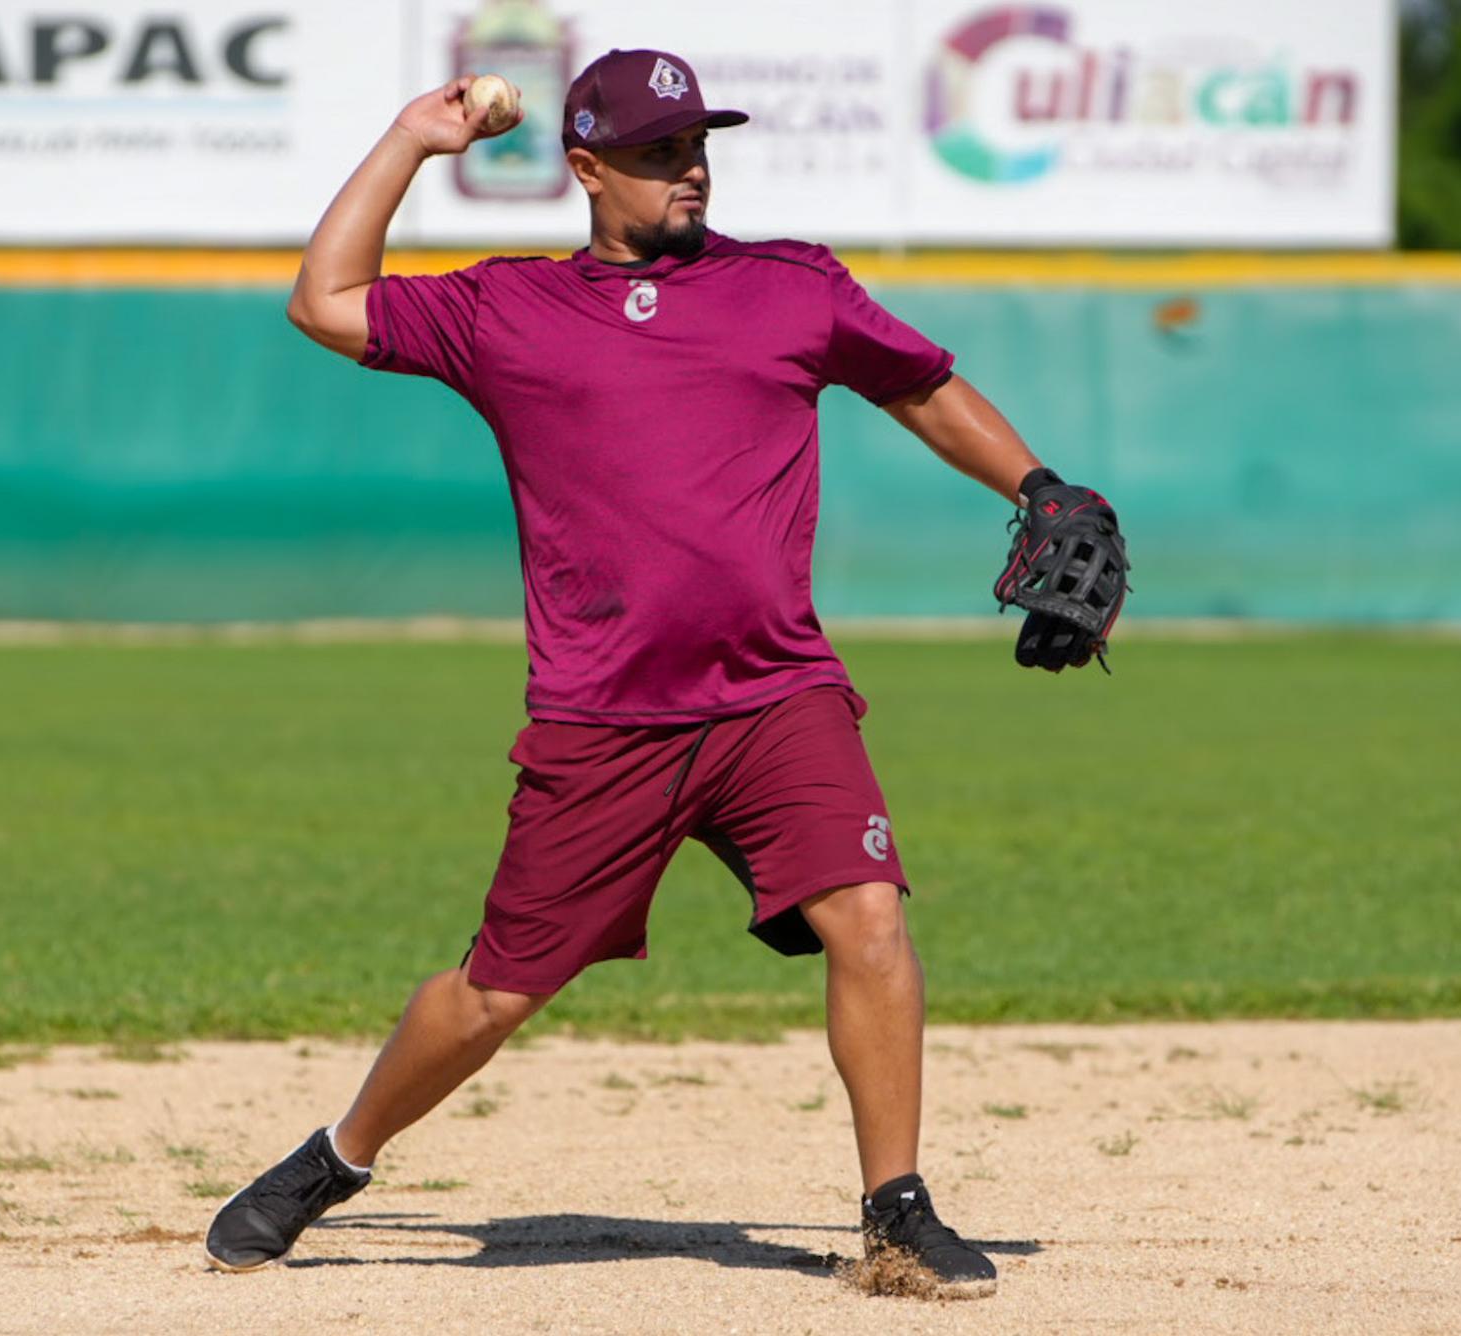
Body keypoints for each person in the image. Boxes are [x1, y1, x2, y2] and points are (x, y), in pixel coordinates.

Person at [207, 48, 1116, 1297]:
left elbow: (922, 388)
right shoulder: (506, 310)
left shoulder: (787, 286)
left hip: (772, 693)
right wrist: (413, 142)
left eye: (695, 145)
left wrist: (1036, 486)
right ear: (584, 168)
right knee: (492, 995)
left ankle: (896, 1210)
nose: (686, 168)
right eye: (654, 151)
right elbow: (324, 300)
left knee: (869, 914)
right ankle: (337, 1156)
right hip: (604, 722)